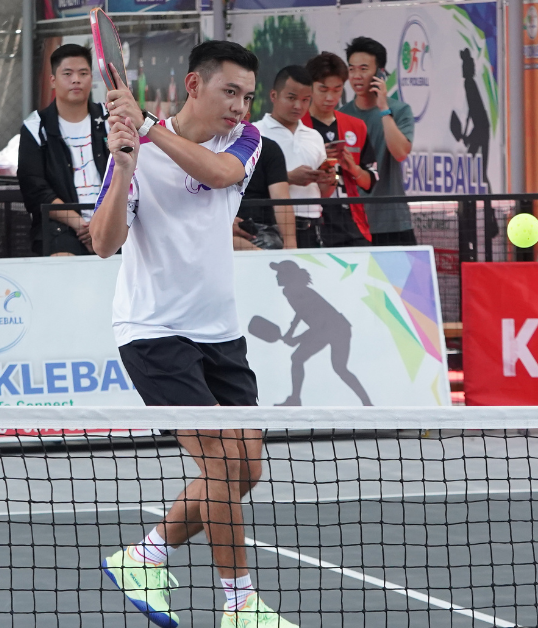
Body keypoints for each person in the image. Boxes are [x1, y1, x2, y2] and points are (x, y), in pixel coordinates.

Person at [91, 41, 299, 628]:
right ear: (193, 85)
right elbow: (104, 243)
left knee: (247, 470)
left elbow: (218, 174)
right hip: (153, 332)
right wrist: (124, 169)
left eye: (247, 96)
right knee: (220, 464)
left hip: (220, 333)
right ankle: (240, 606)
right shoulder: (134, 151)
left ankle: (143, 557)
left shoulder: (246, 142)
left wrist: (148, 128)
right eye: (230, 92)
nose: (240, 106)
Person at [19, 44, 109, 256]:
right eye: (67, 74)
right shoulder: (36, 127)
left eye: (83, 73)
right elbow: (35, 188)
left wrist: (102, 224)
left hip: (111, 221)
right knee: (63, 260)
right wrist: (81, 225)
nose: (76, 80)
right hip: (61, 227)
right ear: (53, 80)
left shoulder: (110, 119)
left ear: (91, 78)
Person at [339, 37, 417, 246]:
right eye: (352, 69)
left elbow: (400, 152)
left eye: (363, 69)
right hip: (352, 223)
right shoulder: (341, 115)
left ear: (380, 73)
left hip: (393, 222)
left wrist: (383, 109)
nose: (356, 76)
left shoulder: (400, 110)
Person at [270, 260, 372, 406]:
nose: (277, 276)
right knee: (298, 359)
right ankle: (295, 400)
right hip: (328, 328)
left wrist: (297, 338)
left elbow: (320, 324)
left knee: (339, 368)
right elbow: (300, 313)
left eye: (280, 273)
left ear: (289, 275)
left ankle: (367, 404)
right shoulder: (290, 291)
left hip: (337, 328)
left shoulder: (298, 292)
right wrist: (290, 333)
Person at [303, 52, 376, 247]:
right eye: (323, 89)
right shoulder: (296, 126)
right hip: (310, 224)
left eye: (337, 90)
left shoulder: (356, 126)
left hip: (352, 224)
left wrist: (353, 168)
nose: (330, 97)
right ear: (309, 87)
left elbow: (370, 182)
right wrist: (320, 160)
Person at [255, 66, 329, 249]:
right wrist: (287, 178)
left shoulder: (314, 136)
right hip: (271, 226)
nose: (298, 106)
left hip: (313, 225)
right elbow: (245, 184)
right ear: (273, 96)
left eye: (305, 100)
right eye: (291, 98)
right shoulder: (255, 133)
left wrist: (328, 179)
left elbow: (324, 192)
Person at [234, 135, 294, 250]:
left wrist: (290, 243)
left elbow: (281, 199)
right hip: (216, 226)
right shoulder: (205, 147)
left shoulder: (267, 147)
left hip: (261, 228)